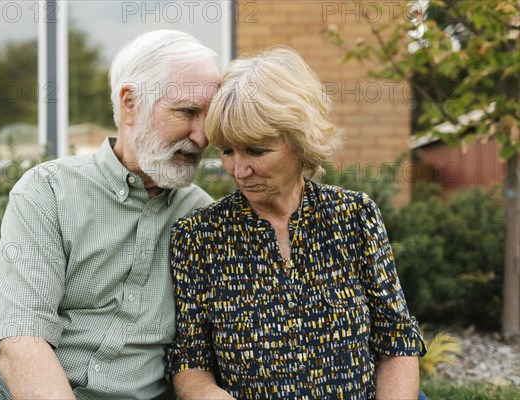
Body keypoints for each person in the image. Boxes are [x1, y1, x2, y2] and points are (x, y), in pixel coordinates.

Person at [0, 30, 221, 400]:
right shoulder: (49, 189)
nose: (203, 136)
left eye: (212, 116)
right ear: (130, 103)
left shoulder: (205, 217)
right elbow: (20, 339)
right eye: (188, 112)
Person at [166, 47, 427, 399]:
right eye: (227, 151)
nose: (239, 171)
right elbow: (190, 360)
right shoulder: (199, 236)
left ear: (300, 142)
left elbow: (396, 343)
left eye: (256, 151)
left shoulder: (355, 216)